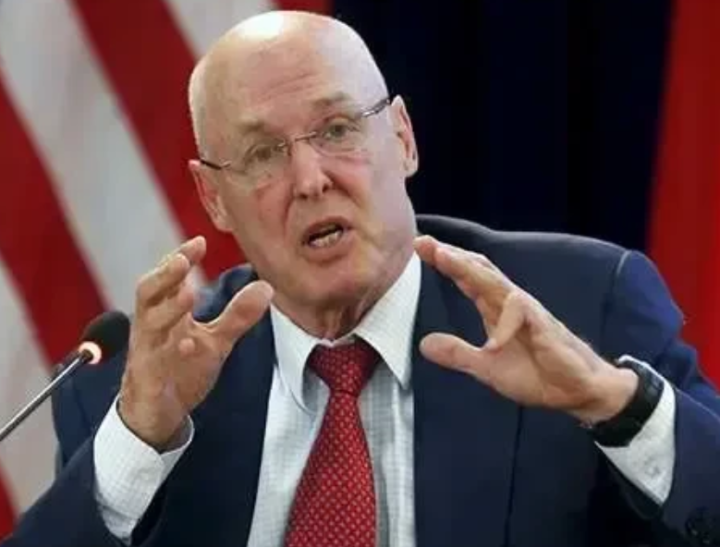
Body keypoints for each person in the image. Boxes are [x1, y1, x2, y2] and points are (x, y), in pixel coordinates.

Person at [4, 9, 720, 547]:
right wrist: (137, 445)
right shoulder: (134, 390)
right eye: (262, 154)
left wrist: (613, 402)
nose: (311, 179)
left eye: (338, 130)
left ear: (402, 139)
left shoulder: (583, 306)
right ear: (213, 198)